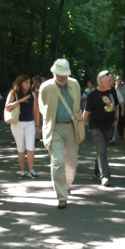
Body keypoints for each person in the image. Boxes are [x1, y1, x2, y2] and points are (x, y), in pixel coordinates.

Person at [38, 59, 83, 209]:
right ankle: (61, 196)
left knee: (71, 160)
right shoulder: (45, 87)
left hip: (71, 127)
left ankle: (67, 184)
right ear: (53, 73)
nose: (63, 77)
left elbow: (77, 104)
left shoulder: (75, 84)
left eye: (65, 74)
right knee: (58, 162)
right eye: (60, 74)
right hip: (54, 128)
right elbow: (42, 108)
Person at [83, 71, 119, 187]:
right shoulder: (92, 95)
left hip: (108, 126)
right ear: (101, 82)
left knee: (102, 150)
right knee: (102, 150)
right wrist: (81, 129)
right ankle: (105, 176)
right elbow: (86, 112)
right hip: (95, 126)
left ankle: (96, 171)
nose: (111, 82)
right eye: (109, 81)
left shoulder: (112, 91)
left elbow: (115, 106)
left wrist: (114, 119)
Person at [6, 74, 40, 179]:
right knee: (20, 148)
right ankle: (22, 170)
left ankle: (31, 170)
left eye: (29, 82)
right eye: (26, 82)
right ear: (20, 83)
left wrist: (37, 125)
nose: (28, 85)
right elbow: (7, 107)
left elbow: (36, 110)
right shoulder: (13, 93)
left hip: (30, 122)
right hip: (17, 123)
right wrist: (20, 101)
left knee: (31, 147)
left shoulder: (32, 94)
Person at [115, 75, 125, 140]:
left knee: (124, 119)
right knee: (119, 120)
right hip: (118, 106)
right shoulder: (115, 88)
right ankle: (120, 133)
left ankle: (124, 129)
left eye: (120, 79)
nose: (119, 80)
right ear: (116, 80)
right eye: (118, 79)